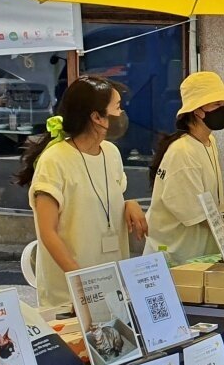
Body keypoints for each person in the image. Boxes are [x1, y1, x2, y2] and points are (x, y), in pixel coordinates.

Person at [17, 76, 147, 309]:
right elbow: (48, 232)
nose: (122, 114)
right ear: (97, 117)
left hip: (112, 289)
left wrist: (128, 204)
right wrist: (83, 283)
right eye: (117, 107)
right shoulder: (54, 160)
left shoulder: (111, 153)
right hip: (69, 297)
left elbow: (101, 202)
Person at [144, 72, 224, 262]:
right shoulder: (182, 151)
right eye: (216, 104)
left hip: (197, 254)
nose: (223, 110)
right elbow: (196, 213)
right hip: (175, 255)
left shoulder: (209, 142)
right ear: (197, 111)